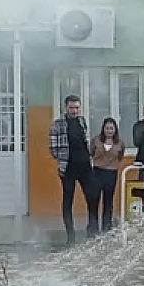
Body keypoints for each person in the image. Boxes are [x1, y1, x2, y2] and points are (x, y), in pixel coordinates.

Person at [49, 95, 99, 246]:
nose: (74, 110)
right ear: (66, 108)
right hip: (68, 168)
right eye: (71, 107)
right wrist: (63, 157)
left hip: (84, 166)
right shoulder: (58, 124)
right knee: (68, 199)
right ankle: (70, 236)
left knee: (93, 196)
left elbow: (86, 141)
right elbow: (52, 148)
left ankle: (92, 229)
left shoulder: (82, 121)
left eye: (77, 107)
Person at [90, 117, 126, 232]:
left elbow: (120, 157)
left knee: (108, 201)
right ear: (103, 129)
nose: (109, 131)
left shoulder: (120, 143)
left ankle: (107, 227)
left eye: (111, 128)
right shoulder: (96, 140)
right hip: (97, 172)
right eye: (107, 128)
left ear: (115, 130)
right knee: (94, 200)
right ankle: (93, 228)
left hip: (111, 173)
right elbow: (91, 152)